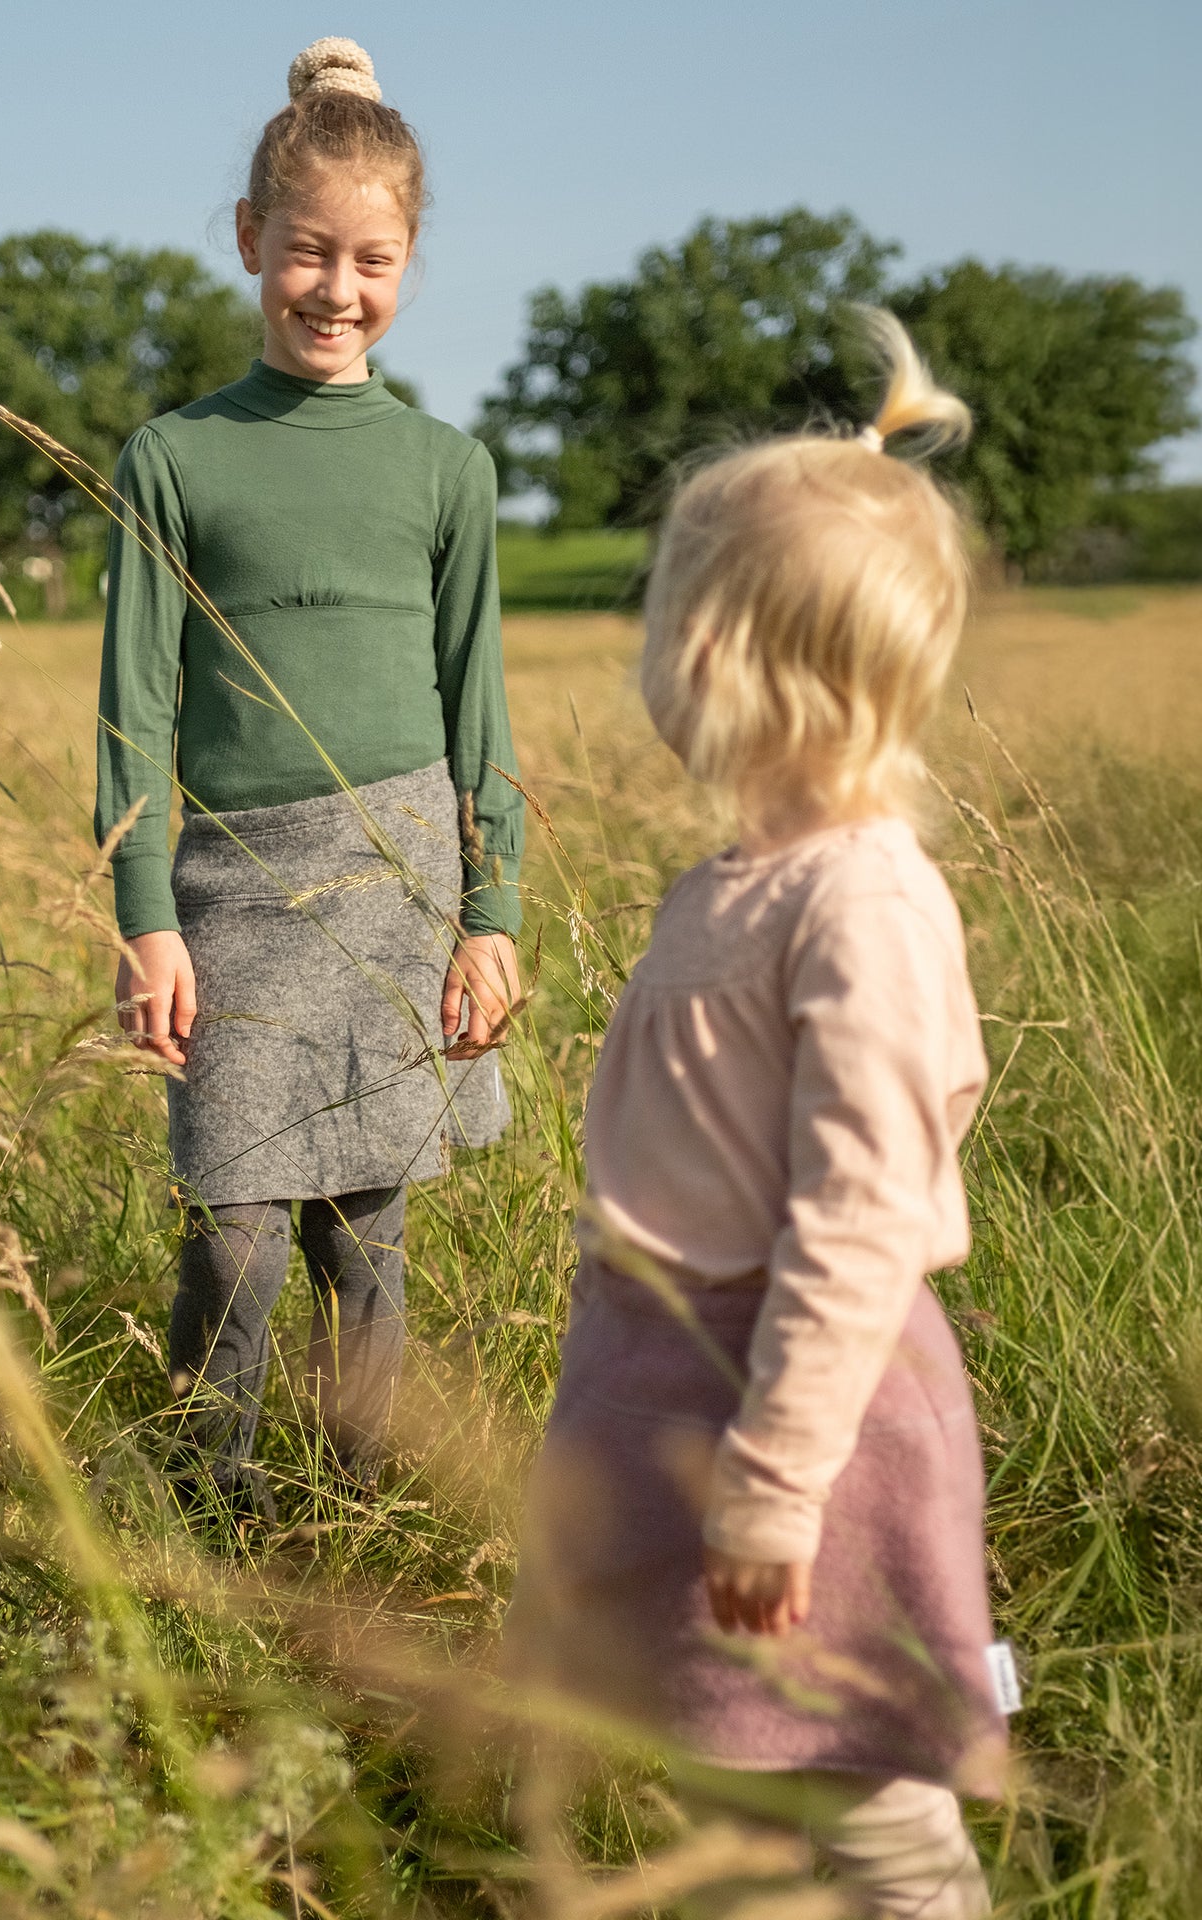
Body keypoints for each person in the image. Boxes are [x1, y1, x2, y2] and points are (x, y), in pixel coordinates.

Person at [506, 311, 1006, 1916]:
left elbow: (860, 1214)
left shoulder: (860, 902)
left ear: (721, 656)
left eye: (664, 620)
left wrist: (779, 1479)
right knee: (728, 1775)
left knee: (864, 1798)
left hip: (806, 1429)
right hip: (686, 1394)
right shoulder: (733, 883)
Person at [94, 38, 523, 1522]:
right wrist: (144, 914)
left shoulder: (446, 469)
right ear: (250, 244)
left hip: (401, 876)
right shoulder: (172, 458)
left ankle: (358, 1508)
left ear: (409, 260)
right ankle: (210, 1512)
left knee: (367, 1231)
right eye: (309, 254)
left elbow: (481, 704)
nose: (340, 290)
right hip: (232, 886)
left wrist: (491, 911)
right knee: (234, 1227)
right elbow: (132, 705)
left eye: (375, 259)